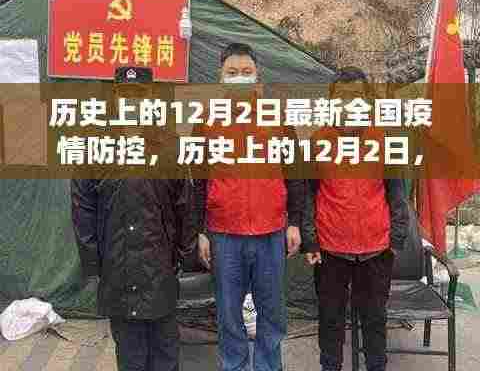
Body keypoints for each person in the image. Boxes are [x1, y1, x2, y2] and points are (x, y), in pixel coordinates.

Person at [71, 67, 196, 371]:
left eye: (139, 94)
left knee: (166, 353)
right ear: (115, 97)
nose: (132, 101)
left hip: (160, 270)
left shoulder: (170, 145)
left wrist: (185, 256)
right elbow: (82, 208)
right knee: (131, 356)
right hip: (117, 270)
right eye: (125, 94)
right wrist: (94, 263)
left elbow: (185, 207)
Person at [193, 42, 305, 371]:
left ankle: (269, 366)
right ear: (221, 77)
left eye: (246, 72)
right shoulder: (207, 121)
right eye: (232, 73)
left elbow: (294, 172)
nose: (239, 78)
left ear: (257, 76)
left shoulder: (277, 117)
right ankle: (235, 366)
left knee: (272, 311)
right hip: (224, 233)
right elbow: (197, 180)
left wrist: (295, 222)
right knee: (229, 313)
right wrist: (200, 230)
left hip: (271, 231)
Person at [301, 67, 410, 371]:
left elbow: (397, 192)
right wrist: (310, 240)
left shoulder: (383, 138)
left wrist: (396, 239)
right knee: (330, 320)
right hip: (330, 249)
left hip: (376, 248)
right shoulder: (318, 141)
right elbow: (308, 194)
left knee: (374, 319)